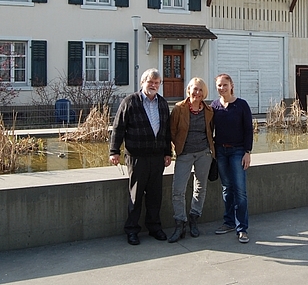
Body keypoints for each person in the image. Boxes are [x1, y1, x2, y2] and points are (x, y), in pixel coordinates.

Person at [109, 68, 172, 246]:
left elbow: (166, 131)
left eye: (157, 82)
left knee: (155, 195)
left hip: (157, 157)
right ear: (143, 82)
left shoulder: (162, 103)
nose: (153, 85)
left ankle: (154, 227)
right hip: (137, 156)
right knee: (135, 196)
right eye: (150, 82)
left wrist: (168, 153)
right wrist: (114, 151)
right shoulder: (130, 102)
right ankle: (132, 230)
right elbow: (118, 128)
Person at [168, 77, 215, 243]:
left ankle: (194, 218)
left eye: (201, 90)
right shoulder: (179, 109)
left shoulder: (208, 110)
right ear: (189, 90)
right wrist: (176, 148)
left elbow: (210, 131)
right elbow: (171, 131)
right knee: (178, 189)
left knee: (200, 187)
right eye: (195, 89)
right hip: (184, 154)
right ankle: (180, 222)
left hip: (203, 154)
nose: (197, 92)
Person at [211, 73, 254, 244]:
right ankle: (228, 222)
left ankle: (242, 228)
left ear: (231, 85)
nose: (222, 88)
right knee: (226, 189)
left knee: (240, 191)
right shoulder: (214, 106)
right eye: (219, 85)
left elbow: (248, 130)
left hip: (237, 151)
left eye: (225, 85)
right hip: (221, 151)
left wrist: (248, 152)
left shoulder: (241, 105)